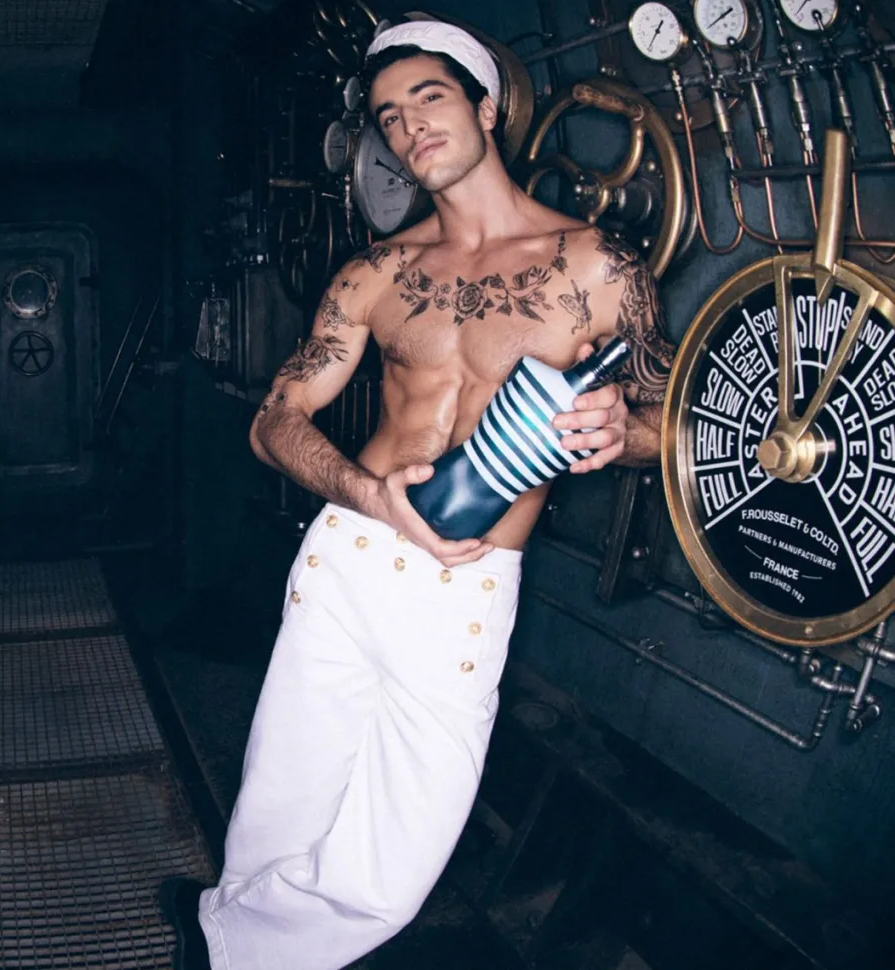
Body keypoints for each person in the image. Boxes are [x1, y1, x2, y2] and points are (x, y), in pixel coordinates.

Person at [161, 19, 674, 970]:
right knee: (283, 795)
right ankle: (227, 936)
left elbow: (671, 426)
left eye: (428, 99)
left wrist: (624, 432)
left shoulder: (597, 267)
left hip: (467, 580)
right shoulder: (378, 270)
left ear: (487, 106)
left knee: (395, 858)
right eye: (389, 116)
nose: (407, 128)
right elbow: (274, 420)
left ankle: (224, 933)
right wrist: (368, 494)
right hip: (353, 549)